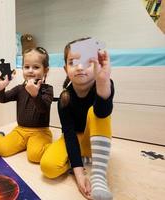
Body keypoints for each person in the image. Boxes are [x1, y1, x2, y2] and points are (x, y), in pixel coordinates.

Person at [40, 38, 114, 200]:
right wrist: (79, 174)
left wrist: (103, 81)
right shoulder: (64, 98)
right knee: (48, 167)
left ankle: (98, 175)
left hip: (93, 137)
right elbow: (69, 134)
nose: (80, 67)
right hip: (75, 139)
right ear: (66, 69)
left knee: (94, 112)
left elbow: (103, 113)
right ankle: (80, 158)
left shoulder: (104, 84)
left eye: (87, 62)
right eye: (73, 62)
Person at [0, 47, 54, 163]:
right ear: (22, 68)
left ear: (46, 70)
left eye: (36, 67)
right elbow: (2, 99)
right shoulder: (19, 89)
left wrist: (35, 94)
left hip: (40, 131)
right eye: (26, 67)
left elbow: (43, 108)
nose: (30, 71)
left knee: (35, 155)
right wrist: (0, 88)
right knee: (0, 149)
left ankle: (61, 150)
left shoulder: (47, 89)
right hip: (21, 130)